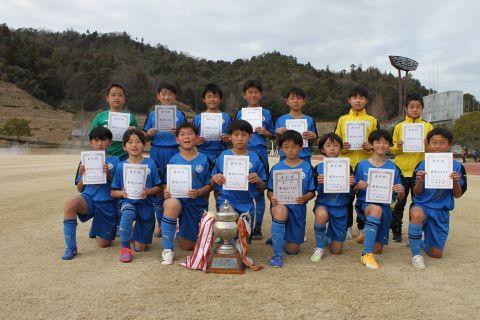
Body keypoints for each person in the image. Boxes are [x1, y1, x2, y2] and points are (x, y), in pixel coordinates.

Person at [408, 127, 467, 270]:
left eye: (443, 142)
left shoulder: (457, 167)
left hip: (441, 210)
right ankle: (416, 255)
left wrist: (454, 181)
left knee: (436, 254)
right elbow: (415, 193)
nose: (438, 146)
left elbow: (457, 195)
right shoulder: (421, 165)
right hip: (422, 206)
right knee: (416, 213)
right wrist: (421, 180)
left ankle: (422, 241)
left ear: (449, 144)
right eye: (434, 142)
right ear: (428, 144)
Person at [61, 127, 120, 260]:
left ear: (110, 142)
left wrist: (109, 175)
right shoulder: (84, 160)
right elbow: (80, 189)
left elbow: (119, 187)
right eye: (96, 140)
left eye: (104, 140)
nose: (100, 143)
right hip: (89, 199)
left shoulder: (115, 161)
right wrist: (83, 176)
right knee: (70, 204)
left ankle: (98, 227)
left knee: (103, 244)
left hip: (107, 204)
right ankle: (71, 247)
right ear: (91, 142)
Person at [160, 122, 213, 265]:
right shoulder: (173, 160)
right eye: (182, 134)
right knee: (171, 204)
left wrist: (199, 191)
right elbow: (166, 182)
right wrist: (166, 191)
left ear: (197, 138)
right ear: (177, 139)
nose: (186, 137)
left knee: (187, 246)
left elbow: (211, 185)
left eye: (190, 133)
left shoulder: (205, 159)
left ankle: (178, 231)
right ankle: (167, 250)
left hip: (196, 204)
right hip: (178, 201)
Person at [354, 129, 405, 269]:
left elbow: (400, 197)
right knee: (376, 210)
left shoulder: (393, 167)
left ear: (389, 146)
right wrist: (358, 186)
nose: (381, 145)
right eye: (377, 141)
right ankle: (366, 254)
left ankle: (367, 233)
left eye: (385, 142)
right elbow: (353, 190)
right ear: (371, 144)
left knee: (379, 249)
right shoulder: (361, 165)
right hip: (366, 205)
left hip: (385, 207)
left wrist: (400, 191)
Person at [111, 129, 162, 263]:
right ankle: (125, 248)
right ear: (124, 146)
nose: (134, 145)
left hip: (146, 205)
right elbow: (113, 192)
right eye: (130, 142)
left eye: (138, 142)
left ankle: (134, 234)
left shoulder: (150, 163)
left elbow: (158, 187)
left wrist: (148, 191)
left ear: (144, 145)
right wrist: (122, 193)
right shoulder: (121, 166)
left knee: (140, 248)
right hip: (128, 202)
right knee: (127, 212)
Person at [335, 85, 379, 239]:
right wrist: (342, 148)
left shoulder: (372, 120)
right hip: (345, 164)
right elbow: (335, 142)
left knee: (363, 198)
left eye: (361, 97)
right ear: (349, 100)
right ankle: (346, 227)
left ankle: (362, 227)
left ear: (366, 100)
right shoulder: (342, 120)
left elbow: (379, 144)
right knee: (346, 198)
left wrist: (370, 148)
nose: (358, 100)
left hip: (365, 165)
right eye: (355, 97)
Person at [143, 81, 187, 237]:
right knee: (157, 187)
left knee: (175, 187)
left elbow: (186, 135)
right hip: (156, 151)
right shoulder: (153, 114)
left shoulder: (180, 114)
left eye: (170, 94)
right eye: (163, 93)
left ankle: (176, 224)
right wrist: (149, 133)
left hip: (174, 152)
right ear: (158, 96)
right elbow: (145, 137)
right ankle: (161, 225)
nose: (167, 97)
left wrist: (178, 133)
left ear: (175, 96)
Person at [266, 130, 316, 267]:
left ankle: (278, 238)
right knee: (281, 210)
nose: (290, 150)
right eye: (286, 147)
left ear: (300, 147)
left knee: (293, 250)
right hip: (280, 206)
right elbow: (269, 191)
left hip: (297, 210)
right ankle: (276, 254)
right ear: (281, 149)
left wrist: (305, 198)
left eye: (294, 146)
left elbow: (312, 191)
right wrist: (272, 199)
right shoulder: (277, 168)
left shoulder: (307, 167)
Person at [390, 93, 433, 242]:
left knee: (418, 203)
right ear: (406, 108)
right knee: (399, 203)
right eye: (411, 107)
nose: (415, 110)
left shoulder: (428, 126)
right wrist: (398, 146)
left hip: (419, 171)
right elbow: (391, 149)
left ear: (422, 108)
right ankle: (396, 231)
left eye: (418, 107)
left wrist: (428, 146)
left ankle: (415, 232)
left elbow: (432, 150)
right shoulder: (399, 126)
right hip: (401, 169)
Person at [235, 80, 275, 240]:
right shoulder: (239, 113)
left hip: (259, 154)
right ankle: (240, 224)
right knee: (240, 186)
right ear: (244, 95)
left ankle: (257, 227)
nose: (253, 95)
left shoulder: (266, 113)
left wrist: (266, 132)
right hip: (241, 154)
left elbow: (274, 134)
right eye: (249, 92)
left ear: (260, 94)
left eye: (256, 92)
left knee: (259, 189)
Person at [211, 120, 267, 230]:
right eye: (236, 135)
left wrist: (258, 180)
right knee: (227, 236)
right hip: (226, 201)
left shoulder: (256, 157)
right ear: (229, 137)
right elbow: (212, 183)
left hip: (247, 203)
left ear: (250, 136)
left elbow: (263, 187)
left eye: (244, 135)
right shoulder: (222, 156)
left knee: (242, 242)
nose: (240, 138)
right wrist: (214, 178)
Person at [311, 133, 355, 261]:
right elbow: (315, 192)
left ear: (341, 148)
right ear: (322, 149)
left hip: (341, 207)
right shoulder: (318, 168)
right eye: (328, 145)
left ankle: (329, 236)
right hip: (324, 204)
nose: (332, 148)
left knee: (336, 251)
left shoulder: (347, 166)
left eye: (336, 145)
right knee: (321, 215)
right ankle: (319, 247)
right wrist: (319, 184)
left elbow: (350, 194)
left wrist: (351, 185)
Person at [89, 83, 138, 160]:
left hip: (125, 157)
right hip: (104, 157)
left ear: (124, 99)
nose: (117, 98)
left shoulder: (131, 118)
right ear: (107, 98)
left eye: (120, 95)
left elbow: (137, 139)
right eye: (113, 95)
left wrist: (133, 132)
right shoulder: (99, 117)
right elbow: (92, 136)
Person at [275, 87, 318, 163]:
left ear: (303, 101)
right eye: (292, 98)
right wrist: (278, 133)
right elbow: (278, 142)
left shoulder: (309, 120)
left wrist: (314, 137)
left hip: (304, 158)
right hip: (285, 158)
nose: (295, 101)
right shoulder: (280, 119)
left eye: (299, 98)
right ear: (287, 101)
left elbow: (312, 143)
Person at [193, 83, 232, 163]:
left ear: (220, 99)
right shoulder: (198, 118)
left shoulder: (226, 117)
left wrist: (228, 139)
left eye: (215, 97)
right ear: (204, 99)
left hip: (222, 153)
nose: (212, 99)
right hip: (202, 152)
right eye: (209, 97)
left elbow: (232, 136)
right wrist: (195, 142)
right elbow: (192, 136)